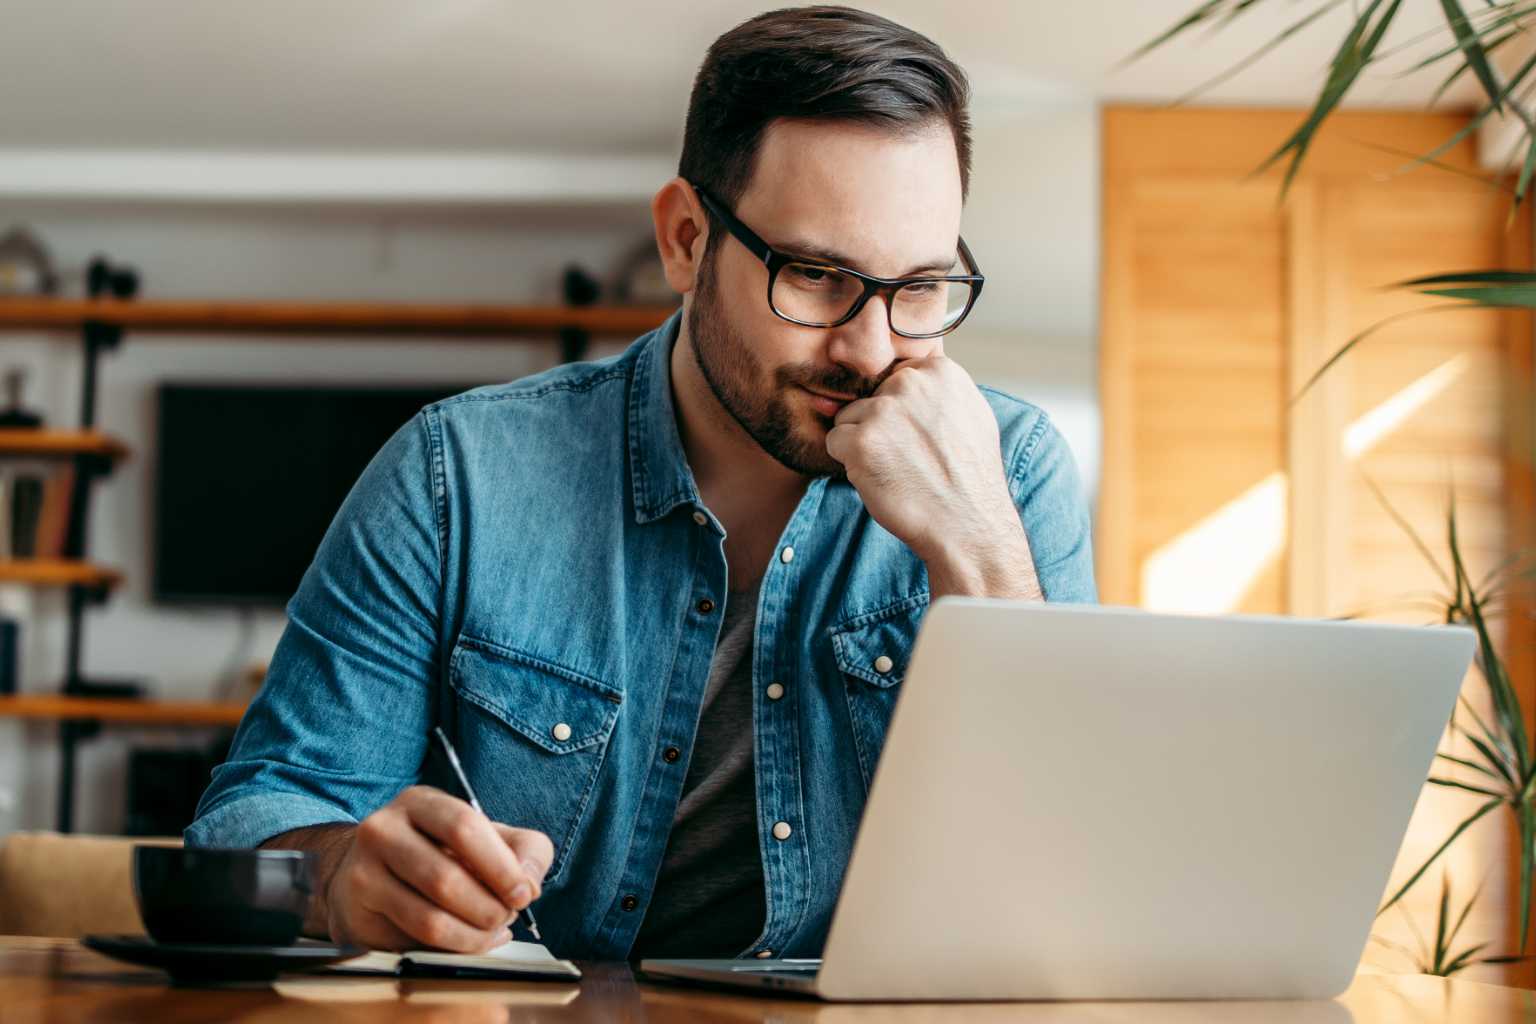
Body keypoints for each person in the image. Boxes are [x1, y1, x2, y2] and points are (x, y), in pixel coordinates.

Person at [186, 4, 1096, 962]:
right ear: (687, 240)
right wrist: (342, 877)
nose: (871, 350)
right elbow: (254, 818)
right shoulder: (457, 476)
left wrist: (981, 549)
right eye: (819, 276)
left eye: (918, 288)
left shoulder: (1013, 472)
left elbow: (1074, 879)